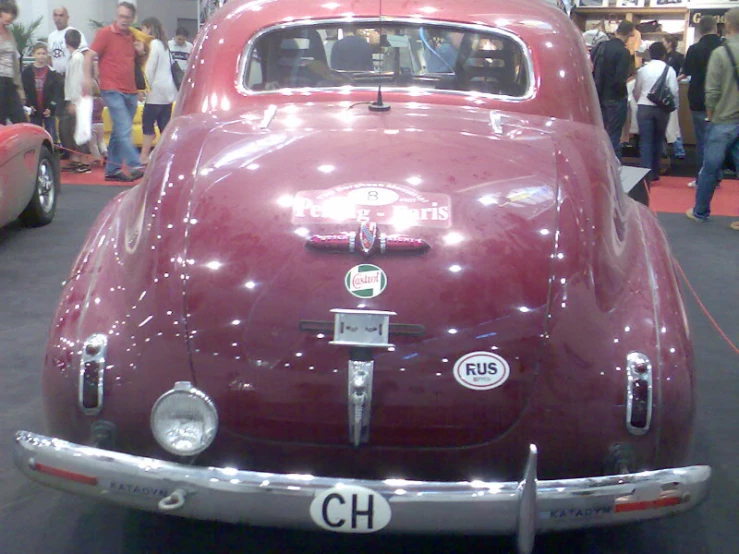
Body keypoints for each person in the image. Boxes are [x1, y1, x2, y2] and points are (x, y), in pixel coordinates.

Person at [687, 8, 739, 225]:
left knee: (710, 168)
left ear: (726, 25)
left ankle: (700, 211)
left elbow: (712, 91)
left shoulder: (721, 53)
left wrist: (710, 116)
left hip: (723, 120)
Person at [83, 2, 145, 182]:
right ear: (116, 15)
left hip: (130, 89)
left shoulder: (132, 36)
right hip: (111, 88)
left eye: (127, 17)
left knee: (120, 130)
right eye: (121, 16)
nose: (124, 20)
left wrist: (140, 52)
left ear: (132, 19)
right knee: (124, 127)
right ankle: (135, 164)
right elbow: (89, 55)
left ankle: (112, 169)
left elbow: (137, 63)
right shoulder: (105, 34)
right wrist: (87, 78)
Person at [681, 16, 723, 189]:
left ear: (699, 30)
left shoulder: (694, 49)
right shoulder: (724, 48)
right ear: (715, 28)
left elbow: (687, 72)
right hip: (723, 101)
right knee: (720, 141)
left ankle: (702, 178)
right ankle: (717, 175)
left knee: (702, 141)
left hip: (699, 99)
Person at [633, 42, 678, 186]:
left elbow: (637, 89)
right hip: (662, 109)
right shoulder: (669, 70)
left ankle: (645, 175)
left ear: (649, 54)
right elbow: (674, 90)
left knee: (645, 141)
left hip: (644, 106)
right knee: (658, 140)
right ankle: (655, 172)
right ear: (664, 55)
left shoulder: (643, 70)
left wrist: (640, 99)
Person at [592, 20, 635, 161]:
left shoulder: (601, 46)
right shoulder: (624, 52)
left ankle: (599, 162)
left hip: (598, 95)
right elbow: (620, 79)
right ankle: (614, 166)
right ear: (630, 34)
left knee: (600, 133)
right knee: (614, 135)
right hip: (615, 98)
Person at [139, 17, 177, 165]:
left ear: (148, 28)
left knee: (147, 123)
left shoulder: (153, 44)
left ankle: (144, 156)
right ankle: (165, 155)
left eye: (142, 29)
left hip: (156, 92)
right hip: (168, 92)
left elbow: (149, 69)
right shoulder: (164, 45)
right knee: (164, 126)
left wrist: (142, 88)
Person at [60, 28, 91, 173]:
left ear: (66, 43)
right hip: (74, 98)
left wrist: (74, 101)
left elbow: (77, 81)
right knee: (70, 130)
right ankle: (76, 159)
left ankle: (83, 161)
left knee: (76, 129)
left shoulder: (77, 58)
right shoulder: (75, 57)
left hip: (76, 99)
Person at [21, 42, 62, 140]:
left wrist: (51, 108)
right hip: (33, 109)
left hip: (48, 110)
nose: (41, 56)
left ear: (47, 55)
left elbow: (56, 93)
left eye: (43, 53)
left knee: (51, 136)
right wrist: (28, 105)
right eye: (38, 53)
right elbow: (24, 90)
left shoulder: (52, 72)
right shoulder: (27, 72)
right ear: (34, 54)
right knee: (34, 136)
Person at [0, 1, 26, 125]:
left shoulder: (9, 33)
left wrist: (20, 89)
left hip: (9, 81)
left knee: (20, 118)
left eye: (12, 13)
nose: (10, 16)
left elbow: (15, 64)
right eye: (7, 12)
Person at [47, 6, 87, 76]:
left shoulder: (74, 33)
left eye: (61, 15)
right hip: (56, 76)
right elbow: (50, 57)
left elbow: (85, 54)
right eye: (55, 15)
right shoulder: (51, 36)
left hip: (72, 75)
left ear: (67, 18)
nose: (58, 18)